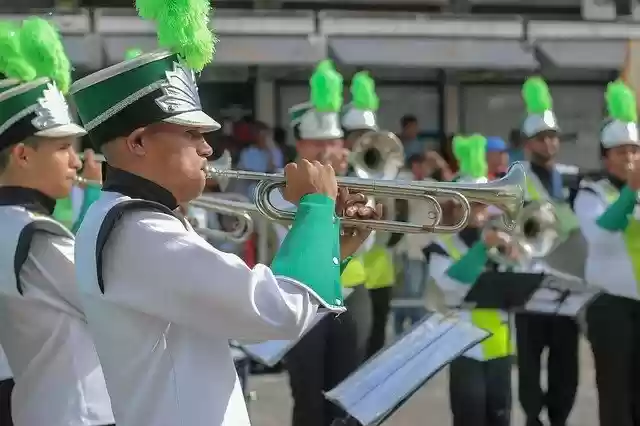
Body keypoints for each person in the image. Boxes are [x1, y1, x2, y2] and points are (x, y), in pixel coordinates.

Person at [69, 6, 377, 424]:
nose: (208, 149)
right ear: (139, 142)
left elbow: (254, 319)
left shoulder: (133, 220)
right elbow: (279, 309)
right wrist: (317, 207)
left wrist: (337, 245)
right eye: (192, 134)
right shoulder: (139, 229)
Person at [0, 18, 113, 426]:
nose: (74, 160)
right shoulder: (36, 234)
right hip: (77, 413)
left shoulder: (17, 224)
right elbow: (112, 300)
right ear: (23, 156)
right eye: (63, 147)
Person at [271, 63, 382, 426]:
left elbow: (368, 243)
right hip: (304, 301)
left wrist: (356, 199)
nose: (328, 149)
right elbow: (293, 242)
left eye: (334, 141)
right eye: (319, 142)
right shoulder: (283, 186)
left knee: (349, 397)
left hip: (352, 296)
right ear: (300, 144)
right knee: (308, 399)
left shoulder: (355, 178)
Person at [425, 134, 513, 426]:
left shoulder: (497, 239)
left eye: (483, 204)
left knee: (500, 418)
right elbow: (451, 285)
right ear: (457, 205)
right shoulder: (442, 244)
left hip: (500, 346)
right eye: (473, 203)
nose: (479, 211)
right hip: (464, 349)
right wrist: (482, 248)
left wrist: (515, 258)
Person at [574, 79, 640, 426]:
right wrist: (630, 192)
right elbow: (600, 234)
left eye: (634, 150)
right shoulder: (590, 191)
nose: (630, 157)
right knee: (615, 395)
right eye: (621, 152)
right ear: (606, 157)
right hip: (610, 305)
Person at [516, 76, 579, 426]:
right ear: (529, 143)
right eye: (542, 138)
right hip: (529, 279)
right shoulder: (517, 176)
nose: (550, 143)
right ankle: (531, 417)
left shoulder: (571, 177)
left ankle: (559, 417)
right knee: (529, 360)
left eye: (553, 137)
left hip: (566, 279)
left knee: (565, 363)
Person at [341, 70, 396, 358]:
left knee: (375, 350)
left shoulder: (384, 169)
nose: (364, 142)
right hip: (349, 276)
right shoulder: (339, 173)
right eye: (358, 136)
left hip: (378, 272)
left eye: (369, 136)